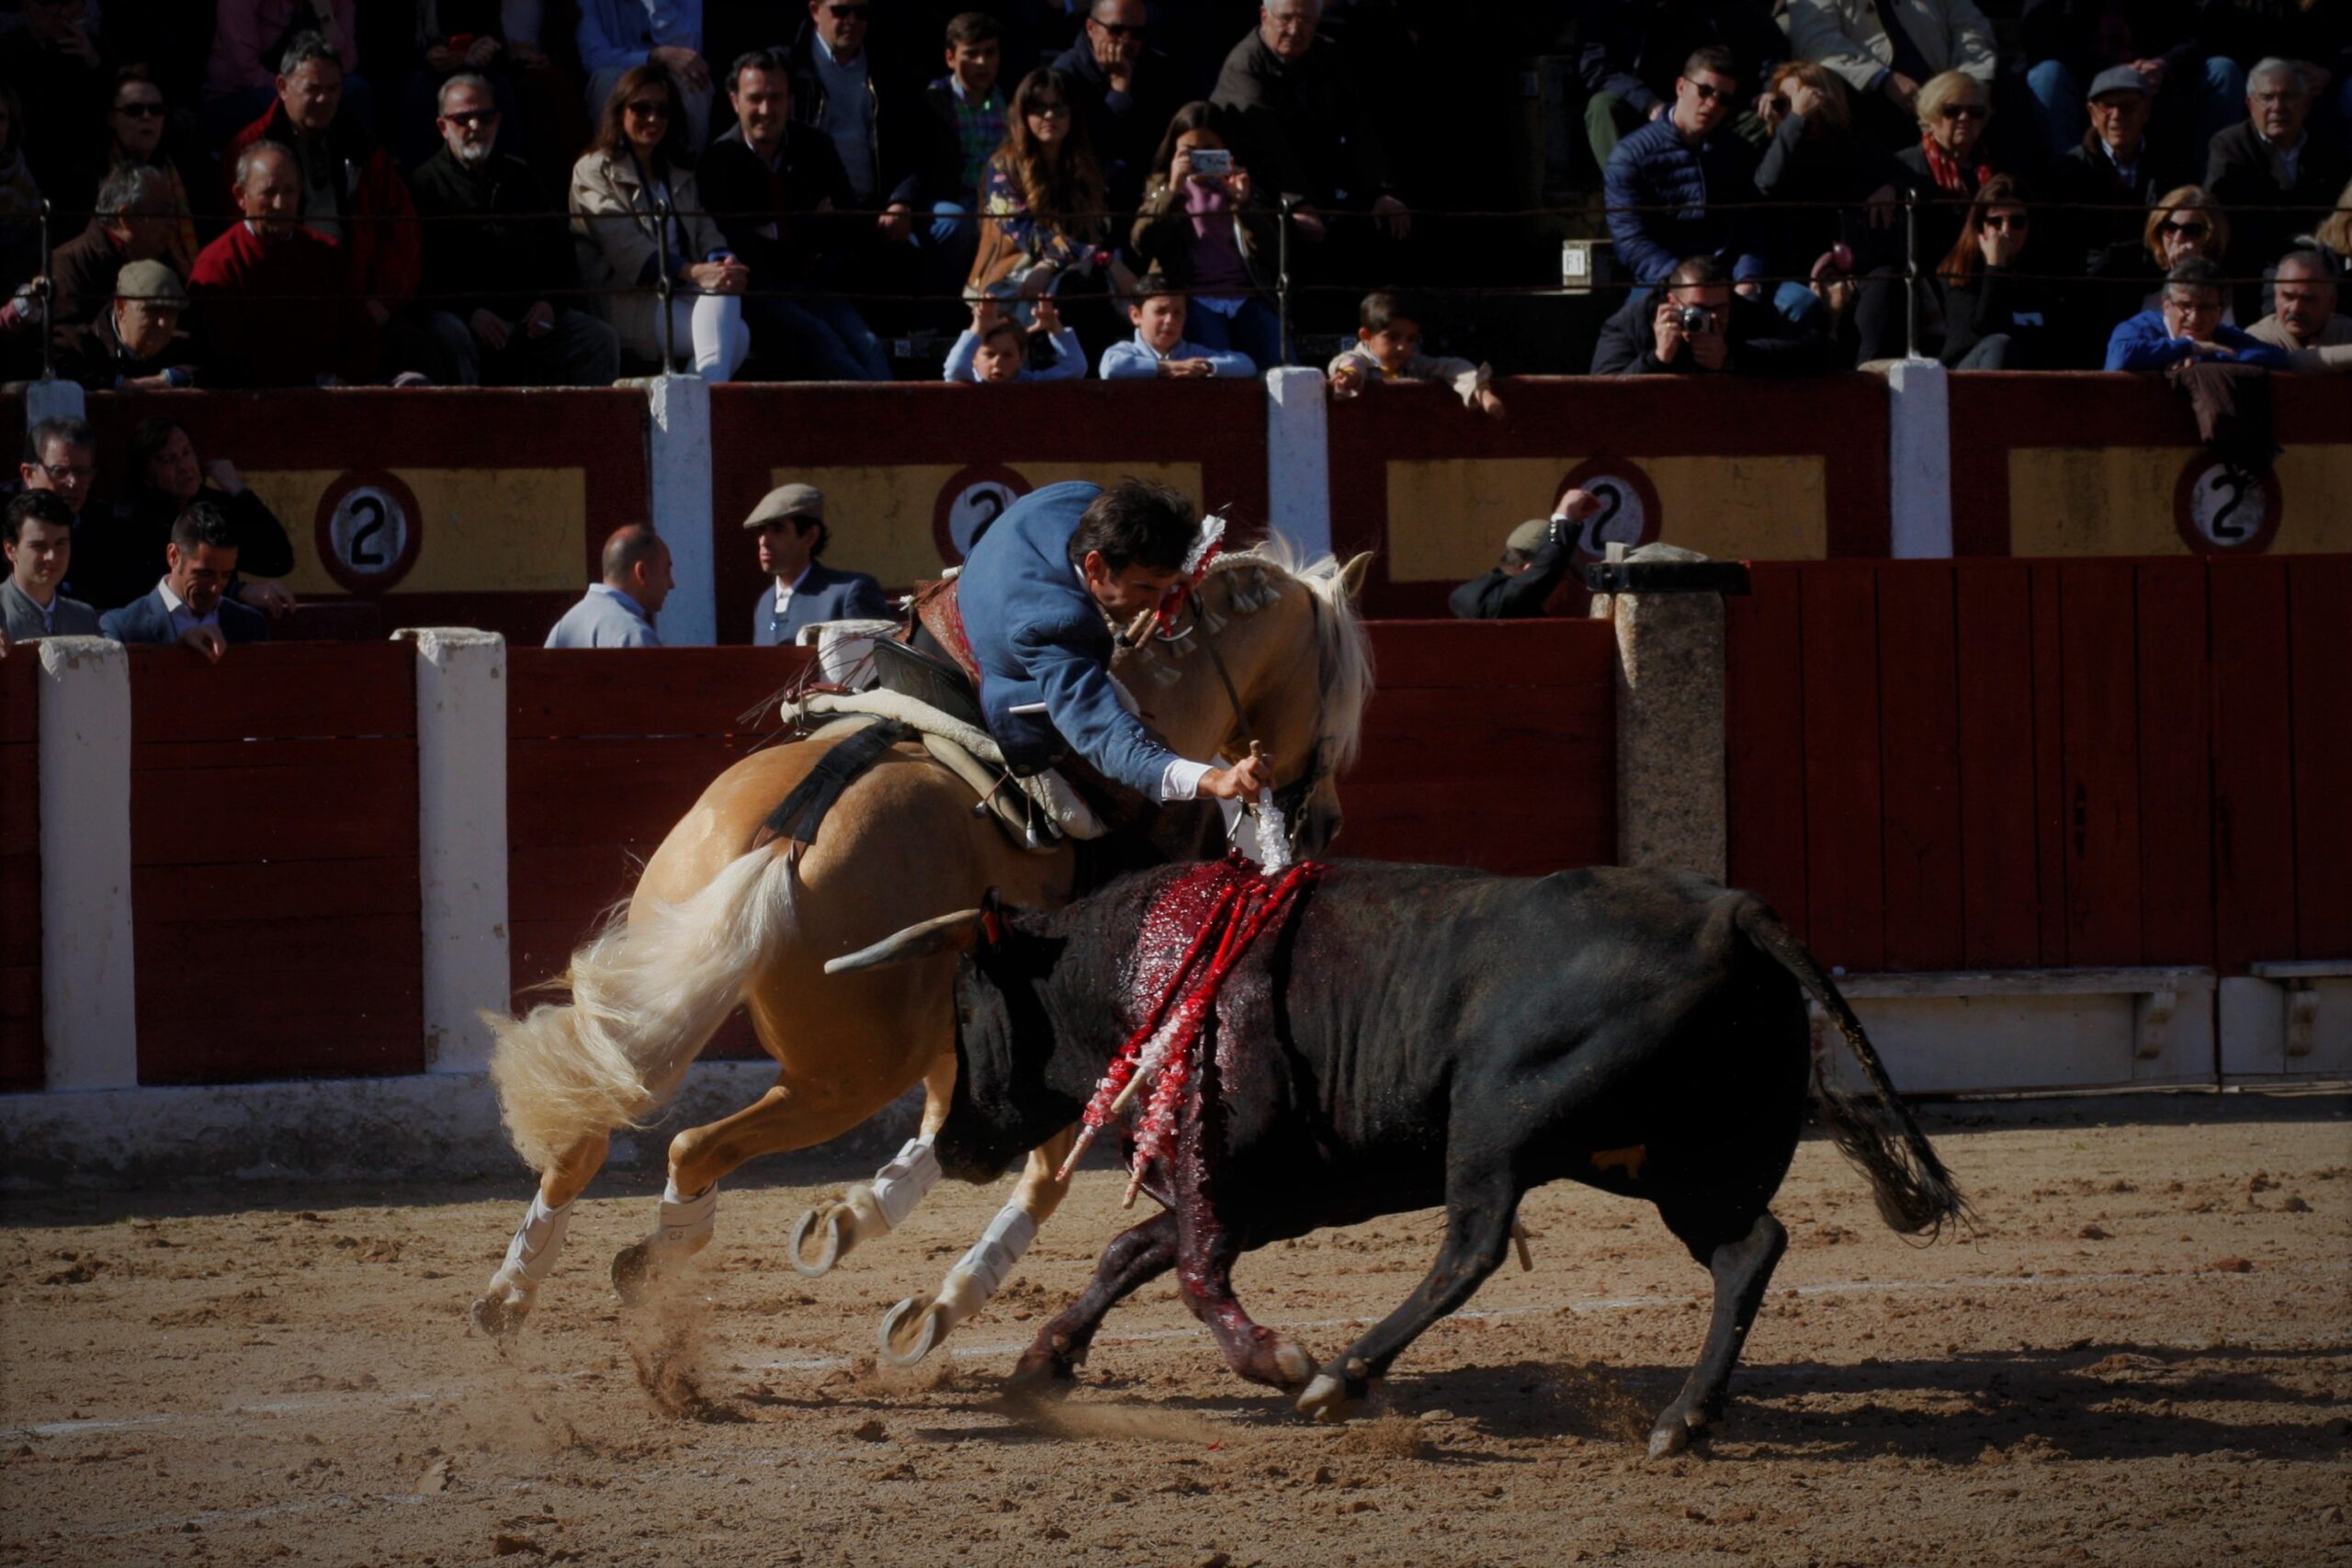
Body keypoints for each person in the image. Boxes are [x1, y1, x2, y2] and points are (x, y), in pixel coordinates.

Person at [956, 478, 1272, 804]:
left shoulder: (1083, 498)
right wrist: (1213, 778)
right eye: (1146, 588)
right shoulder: (1055, 627)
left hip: (987, 583)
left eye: (1163, 587)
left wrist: (1167, 580)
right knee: (1150, 815)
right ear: (1095, 566)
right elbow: (1101, 731)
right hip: (1011, 681)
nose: (1153, 606)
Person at [220, 33, 427, 373]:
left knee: (417, 354)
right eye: (312, 89)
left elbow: (402, 230)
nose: (324, 99)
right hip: (278, 310)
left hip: (354, 302)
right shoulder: (250, 152)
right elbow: (232, 240)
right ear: (282, 86)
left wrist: (382, 304)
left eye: (333, 89)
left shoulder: (362, 149)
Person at [413, 73, 622, 389]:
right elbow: (421, 273)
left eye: (485, 117)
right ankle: (464, 431)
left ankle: (583, 435)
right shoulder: (424, 185)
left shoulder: (521, 176)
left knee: (598, 339)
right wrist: (470, 312)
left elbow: (560, 253)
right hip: (465, 319)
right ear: (443, 127)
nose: (475, 127)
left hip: (528, 321)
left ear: (498, 120)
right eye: (463, 118)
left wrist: (550, 303)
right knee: (448, 333)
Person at [698, 48, 892, 381]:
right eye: (755, 98)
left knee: (870, 345)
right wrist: (804, 226)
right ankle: (881, 429)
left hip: (814, 281)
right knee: (825, 343)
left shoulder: (815, 147)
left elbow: (844, 222)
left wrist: (774, 231)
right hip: (759, 294)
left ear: (790, 100)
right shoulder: (719, 160)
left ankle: (898, 428)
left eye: (775, 98)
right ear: (735, 102)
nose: (765, 110)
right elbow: (734, 242)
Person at [569, 63, 752, 382]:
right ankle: (698, 418)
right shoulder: (593, 170)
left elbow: (703, 226)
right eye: (641, 108)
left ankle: (687, 412)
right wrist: (694, 272)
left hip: (679, 290)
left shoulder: (676, 170)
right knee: (736, 336)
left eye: (662, 111)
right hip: (626, 299)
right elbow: (624, 247)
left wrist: (722, 260)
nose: (653, 119)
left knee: (732, 315)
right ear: (620, 110)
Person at [1212, 1, 1410, 257]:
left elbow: (1359, 124)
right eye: (1285, 19)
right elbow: (1268, 146)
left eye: (1306, 21)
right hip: (1264, 194)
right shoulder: (1245, 67)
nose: (1295, 30)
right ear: (1264, 16)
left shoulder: (1326, 53)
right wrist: (1300, 204)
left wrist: (1381, 189)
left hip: (1323, 186)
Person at [189, 141, 379, 387]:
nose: (280, 204)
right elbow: (222, 359)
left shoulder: (326, 253)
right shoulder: (218, 264)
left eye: (289, 191)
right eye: (269, 193)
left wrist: (343, 380)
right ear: (240, 196)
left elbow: (360, 335)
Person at [71, 417, 298, 618]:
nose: (185, 467)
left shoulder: (213, 505)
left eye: (187, 453)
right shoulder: (130, 520)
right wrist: (237, 591)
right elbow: (153, 583)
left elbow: (277, 559)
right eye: (169, 460)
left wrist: (238, 490)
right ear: (148, 477)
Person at [1129, 101, 1284, 371]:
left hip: (1246, 295)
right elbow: (1142, 242)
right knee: (1217, 369)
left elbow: (1272, 249)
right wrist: (1172, 192)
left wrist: (1243, 204)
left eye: (1210, 150)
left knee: (1283, 364)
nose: (1200, 158)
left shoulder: (1239, 183)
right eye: (1190, 151)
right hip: (1196, 297)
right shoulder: (1161, 186)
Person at [1603, 48, 1767, 295]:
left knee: (1800, 305)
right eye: (1704, 91)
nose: (1711, 104)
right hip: (1663, 281)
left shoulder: (1736, 152)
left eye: (1724, 100)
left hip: (1727, 278)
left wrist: (1748, 278)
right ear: (1681, 87)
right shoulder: (1631, 156)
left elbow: (1753, 227)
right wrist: (1683, 284)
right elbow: (1632, 241)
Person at [1754, 62, 1902, 324]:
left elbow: (1897, 171)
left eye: (1800, 101)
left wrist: (1891, 185)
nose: (1791, 110)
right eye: (1784, 103)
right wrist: (1796, 120)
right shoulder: (1776, 143)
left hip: (1849, 261)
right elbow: (1767, 181)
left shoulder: (1855, 141)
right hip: (1789, 267)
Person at [968, 68, 1115, 326]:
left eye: (1059, 108)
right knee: (1081, 283)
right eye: (1038, 108)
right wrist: (1102, 259)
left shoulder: (1085, 165)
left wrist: (1053, 264)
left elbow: (1097, 227)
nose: (1049, 116)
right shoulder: (1002, 166)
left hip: (1070, 267)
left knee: (1088, 283)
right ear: (1023, 114)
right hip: (1014, 272)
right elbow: (1025, 232)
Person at [2018, 0, 2244, 167]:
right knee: (2046, 76)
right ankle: (2067, 178)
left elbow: (2204, 33)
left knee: (2223, 71)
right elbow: (2039, 38)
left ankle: (2205, 194)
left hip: (2159, 84)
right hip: (2086, 84)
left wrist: (2164, 65)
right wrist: (2110, 74)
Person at [1575, 0, 1790, 170]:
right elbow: (1596, 67)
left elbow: (1768, 49)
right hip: (1644, 117)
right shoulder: (1608, 7)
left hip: (1718, 110)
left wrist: (1770, 88)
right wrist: (1649, 104)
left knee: (1772, 115)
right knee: (1603, 106)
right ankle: (1633, 197)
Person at [786, 0, 923, 252]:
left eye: (861, 13)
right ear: (816, 11)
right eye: (840, 11)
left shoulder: (887, 71)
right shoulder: (789, 69)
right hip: (816, 213)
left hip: (877, 210)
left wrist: (900, 201)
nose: (852, 20)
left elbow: (910, 146)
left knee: (950, 225)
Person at [2205, 60, 2349, 286]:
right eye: (2267, 98)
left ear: (2307, 104)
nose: (2278, 107)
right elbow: (2237, 218)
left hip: (2322, 261)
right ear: (2250, 104)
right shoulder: (2230, 146)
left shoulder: (2328, 146)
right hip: (2260, 266)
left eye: (2289, 97)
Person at [1787, 0, 1996, 146]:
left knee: (2004, 93)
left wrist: (1971, 82)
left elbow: (1971, 27)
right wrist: (1881, 79)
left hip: (1943, 89)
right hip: (1867, 101)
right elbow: (1817, 42)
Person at [1591, 254, 1844, 374]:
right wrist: (1657, 360)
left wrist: (1732, 359)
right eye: (1699, 310)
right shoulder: (1632, 323)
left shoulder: (1742, 310)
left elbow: (1821, 352)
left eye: (1719, 309)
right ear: (1672, 301)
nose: (1711, 319)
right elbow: (1600, 394)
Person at [98, 502, 272, 663]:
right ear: (173, 557)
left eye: (226, 575)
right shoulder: (122, 628)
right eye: (204, 573)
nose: (216, 587)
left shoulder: (250, 624)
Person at [1052, 0, 1180, 214]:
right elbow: (1094, 145)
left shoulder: (1157, 69)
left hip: (1148, 191)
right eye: (1116, 30)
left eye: (1137, 32)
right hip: (1088, 196)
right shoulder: (1065, 75)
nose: (1126, 40)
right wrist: (1120, 89)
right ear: (1091, 28)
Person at [742, 483, 890, 647]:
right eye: (761, 530)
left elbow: (874, 663)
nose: (764, 541)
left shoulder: (849, 593)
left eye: (778, 530)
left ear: (810, 536)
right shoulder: (765, 602)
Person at [916, 13, 1007, 281]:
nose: (982, 63)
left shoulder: (1005, 100)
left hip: (997, 200)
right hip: (948, 200)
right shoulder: (935, 102)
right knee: (958, 222)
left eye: (990, 53)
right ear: (951, 58)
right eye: (972, 54)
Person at [1939, 175, 2061, 368]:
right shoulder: (1961, 272)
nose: (2006, 231)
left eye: (2017, 222)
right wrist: (1995, 266)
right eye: (1996, 222)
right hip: (1969, 375)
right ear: (1980, 227)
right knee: (1999, 344)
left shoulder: (2043, 273)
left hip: (2028, 379)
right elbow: (1984, 328)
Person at [45, 164, 180, 336]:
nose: (173, 224)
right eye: (163, 213)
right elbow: (63, 343)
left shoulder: (159, 261)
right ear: (125, 217)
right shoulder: (67, 265)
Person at [1327, 289, 1503, 416]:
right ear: (1366, 336)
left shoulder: (1414, 363)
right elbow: (1350, 363)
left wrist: (1481, 391)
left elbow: (1452, 367)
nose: (1403, 347)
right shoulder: (1359, 360)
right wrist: (1350, 376)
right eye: (1393, 338)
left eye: (1410, 339)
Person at [96, 66, 199, 276]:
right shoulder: (94, 174)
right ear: (111, 117)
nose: (147, 117)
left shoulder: (187, 169)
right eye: (134, 110)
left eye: (156, 109)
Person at [2104, 255, 2290, 369]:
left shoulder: (2223, 335)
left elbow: (2278, 358)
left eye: (2206, 308)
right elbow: (2120, 357)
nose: (2194, 318)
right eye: (2185, 306)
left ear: (2220, 311)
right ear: (2166, 304)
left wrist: (2208, 357)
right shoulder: (2141, 327)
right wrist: (2190, 347)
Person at [577, 0, 714, 152]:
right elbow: (594, 57)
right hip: (622, 71)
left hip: (669, 73)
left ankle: (688, 169)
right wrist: (652, 57)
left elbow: (687, 52)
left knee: (693, 78)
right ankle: (614, 165)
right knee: (605, 79)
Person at [1447, 502, 1607, 621]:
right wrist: (1563, 517)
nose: (1564, 595)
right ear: (1530, 571)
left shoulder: (1479, 598)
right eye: (1561, 578)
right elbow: (1546, 566)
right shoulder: (1493, 606)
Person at [59, 258, 200, 391]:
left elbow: (209, 369)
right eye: (152, 310)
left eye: (170, 312)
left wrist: (169, 378)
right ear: (121, 308)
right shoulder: (83, 347)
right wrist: (121, 384)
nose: (162, 323)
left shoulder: (185, 348)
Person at [0, 491, 98, 653]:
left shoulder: (84, 618)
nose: (52, 557)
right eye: (39, 546)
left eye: (60, 544)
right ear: (11, 550)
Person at [545, 525, 673, 648]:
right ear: (642, 572)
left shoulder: (562, 629)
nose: (671, 584)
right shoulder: (633, 635)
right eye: (666, 571)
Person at [1099, 281, 1258, 378]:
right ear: (1136, 315)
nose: (1170, 320)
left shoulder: (1194, 355)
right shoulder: (1125, 352)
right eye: (1160, 312)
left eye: (1178, 313)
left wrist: (1206, 367)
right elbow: (1111, 368)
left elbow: (1247, 364)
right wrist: (1169, 367)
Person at [2246, 250, 2352, 373]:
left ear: (2331, 302)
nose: (2296, 308)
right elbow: (2284, 361)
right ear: (2275, 296)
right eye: (2288, 297)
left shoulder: (2346, 332)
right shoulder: (2258, 338)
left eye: (2308, 299)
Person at [944, 294, 1084, 380]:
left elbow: (1075, 369)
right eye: (990, 354)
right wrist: (977, 331)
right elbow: (955, 369)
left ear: (1022, 358)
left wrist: (1055, 329)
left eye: (1008, 355)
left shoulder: (1027, 382)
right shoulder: (970, 381)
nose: (998, 361)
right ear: (973, 357)